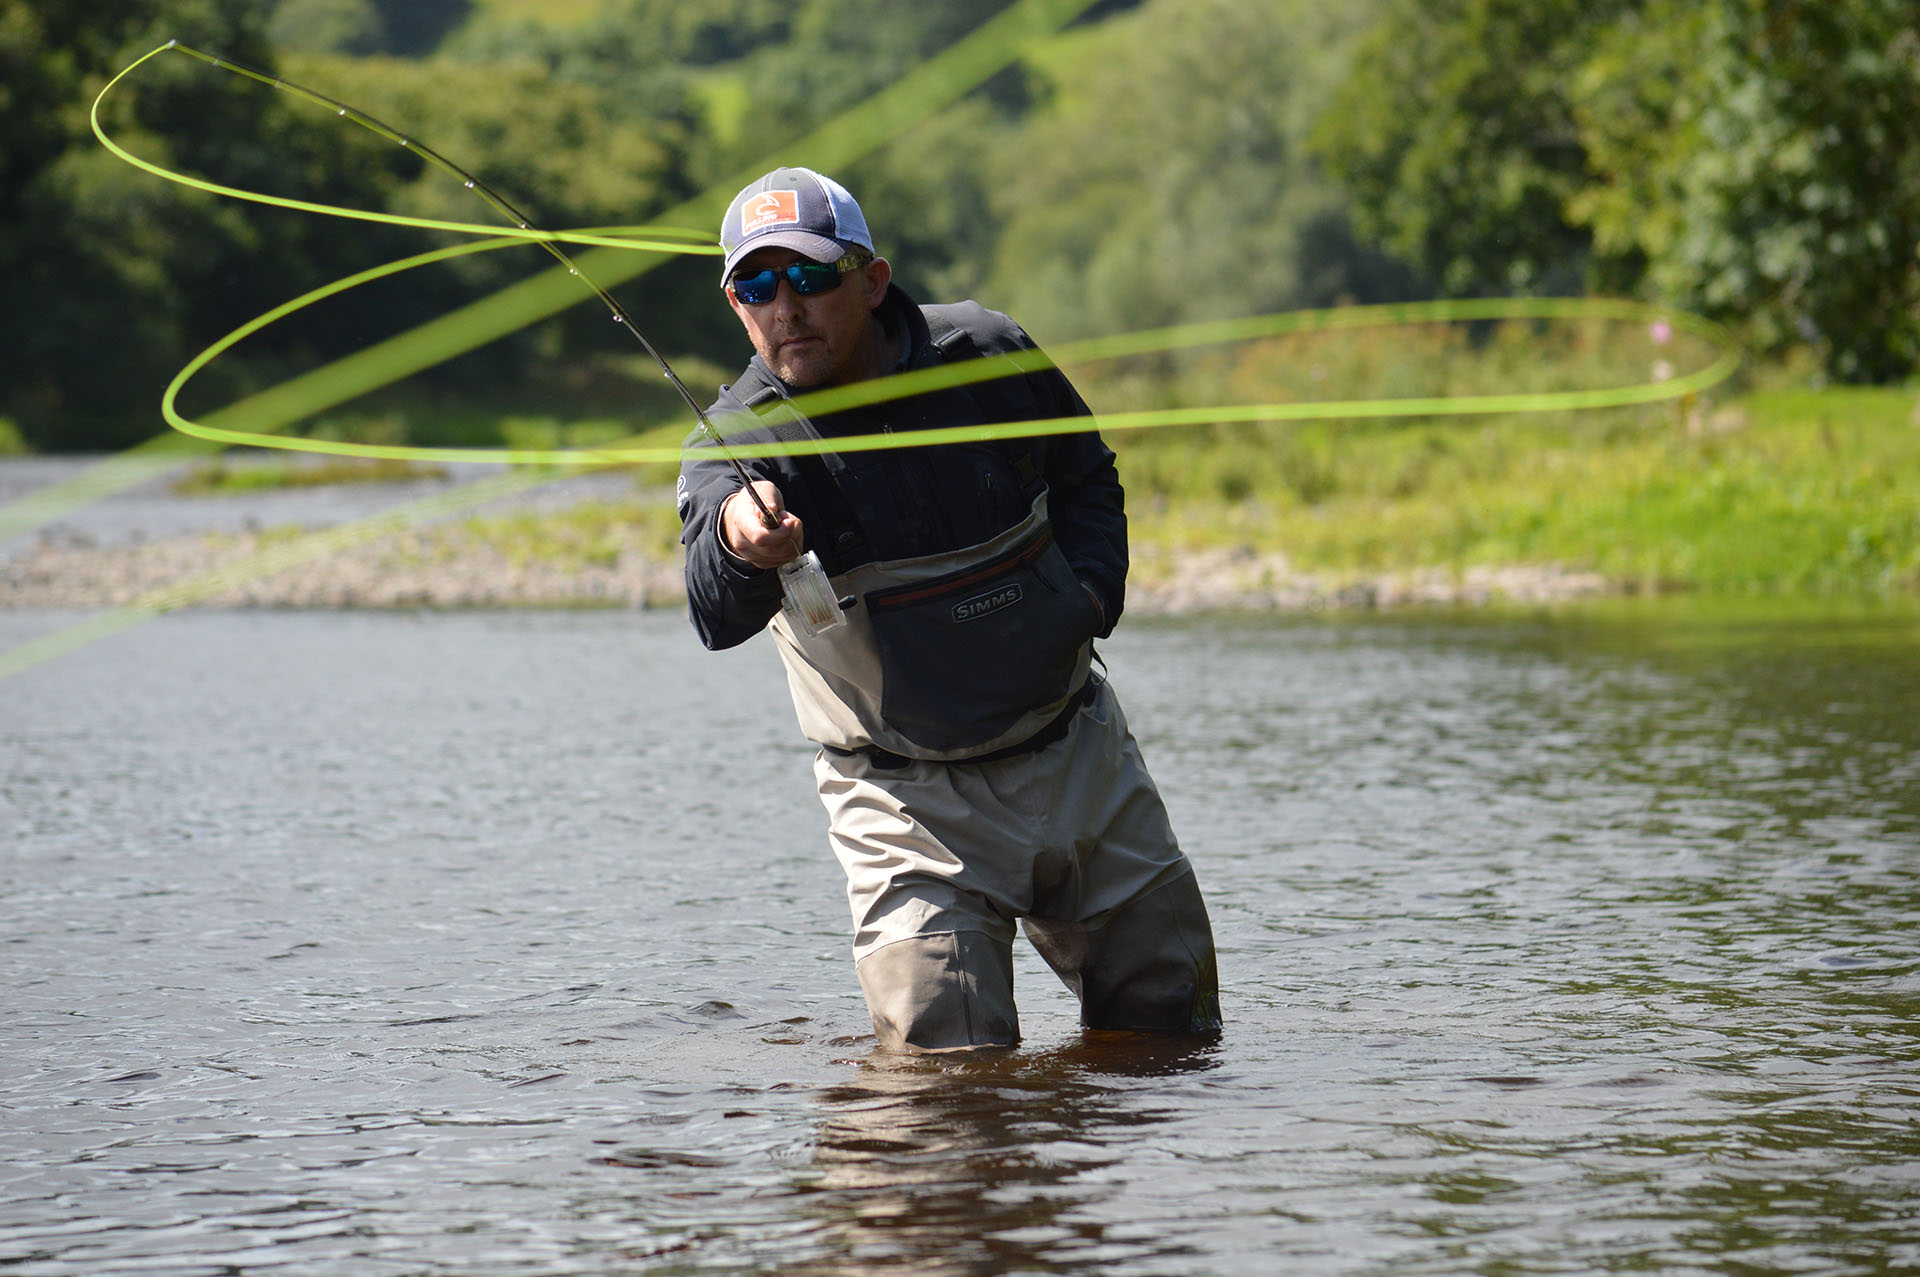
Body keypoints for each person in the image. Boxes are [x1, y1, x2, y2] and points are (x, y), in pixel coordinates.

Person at [676, 166, 1220, 1052]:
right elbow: (711, 610)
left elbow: (1088, 476)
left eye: (810, 278)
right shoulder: (737, 442)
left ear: (873, 279)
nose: (785, 308)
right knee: (946, 1065)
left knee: (1174, 1030)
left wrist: (1089, 599)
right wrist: (744, 541)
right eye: (755, 286)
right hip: (903, 798)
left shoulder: (987, 351)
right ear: (736, 302)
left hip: (1076, 749)